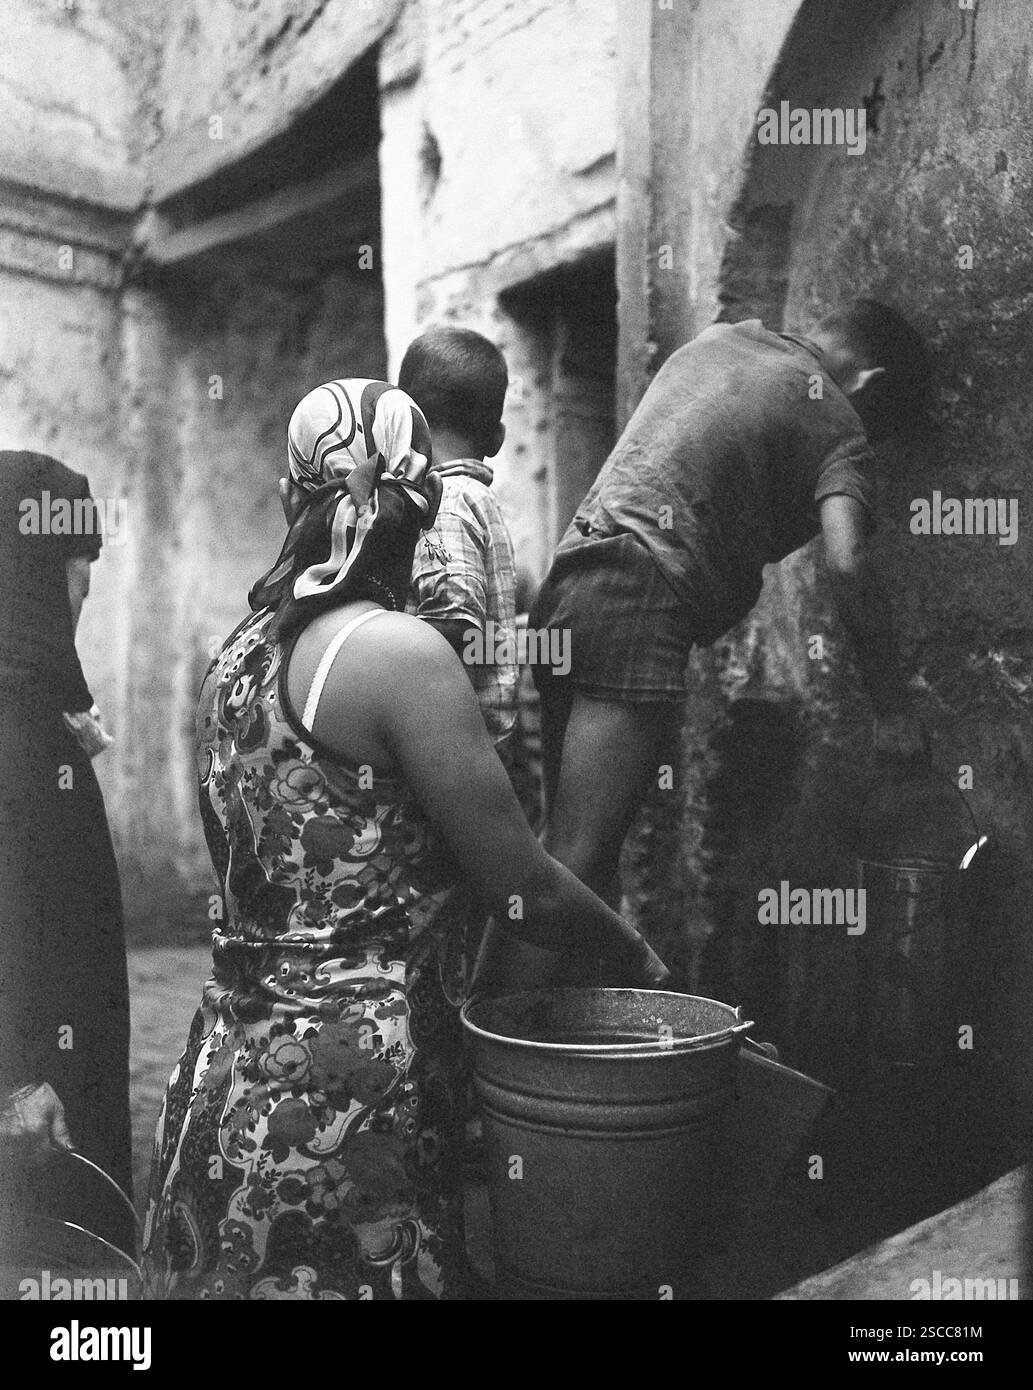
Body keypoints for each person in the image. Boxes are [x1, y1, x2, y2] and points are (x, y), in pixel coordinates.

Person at [141, 379, 667, 1302]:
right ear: (426, 500)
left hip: (225, 1077)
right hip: (355, 1098)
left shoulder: (237, 657)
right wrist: (638, 963)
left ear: (284, 497)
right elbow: (526, 891)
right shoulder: (401, 658)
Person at [530, 300, 930, 903]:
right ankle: (524, 999)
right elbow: (848, 564)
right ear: (872, 385)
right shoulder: (839, 418)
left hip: (570, 586)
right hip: (639, 604)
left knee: (554, 853)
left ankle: (495, 1001)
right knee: (579, 863)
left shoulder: (723, 340)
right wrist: (893, 710)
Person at [0, 450, 132, 1263]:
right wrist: (17, 1076)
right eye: (78, 568)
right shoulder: (10, 721)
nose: (85, 592)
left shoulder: (31, 701)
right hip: (35, 1100)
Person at [399, 326, 519, 754]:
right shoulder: (471, 498)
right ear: (496, 439)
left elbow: (453, 624)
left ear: (402, 422)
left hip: (449, 746)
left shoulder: (444, 500)